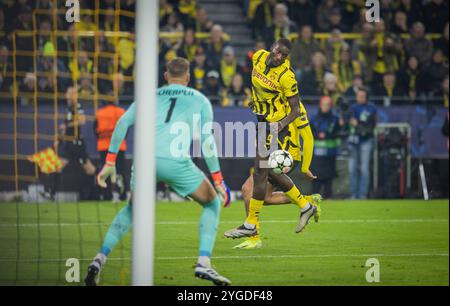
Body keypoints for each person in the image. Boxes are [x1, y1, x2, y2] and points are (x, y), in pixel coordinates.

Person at [85, 58, 232, 286]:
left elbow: (122, 124)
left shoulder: (148, 96)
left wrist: (110, 162)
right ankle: (204, 262)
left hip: (144, 162)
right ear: (188, 77)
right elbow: (206, 141)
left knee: (133, 208)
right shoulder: (201, 100)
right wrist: (218, 180)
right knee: (211, 203)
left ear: (166, 76)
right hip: (176, 163)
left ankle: (99, 259)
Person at [224, 38, 320, 240]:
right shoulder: (257, 57)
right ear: (271, 48)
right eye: (277, 52)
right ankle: (305, 205)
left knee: (261, 171)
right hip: (261, 121)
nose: (279, 57)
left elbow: (295, 109)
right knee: (263, 173)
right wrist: (256, 100)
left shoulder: (287, 76)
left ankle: (252, 224)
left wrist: (281, 125)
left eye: (283, 56)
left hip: (275, 125)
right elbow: (257, 84)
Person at [234, 99, 322, 249]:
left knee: (248, 190)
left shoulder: (296, 106)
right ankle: (307, 201)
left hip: (284, 157)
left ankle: (254, 237)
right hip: (269, 152)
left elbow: (308, 137)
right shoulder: (269, 100)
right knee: (264, 197)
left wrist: (305, 167)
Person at [94, 101, 128, 201]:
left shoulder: (99, 113)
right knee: (120, 171)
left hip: (104, 146)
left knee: (106, 171)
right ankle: (123, 195)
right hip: (119, 147)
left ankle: (106, 195)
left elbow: (95, 129)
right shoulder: (121, 111)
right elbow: (125, 128)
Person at [348, 87, 377, 200]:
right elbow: (346, 122)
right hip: (353, 140)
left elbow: (371, 126)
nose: (359, 98)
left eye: (362, 96)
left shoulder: (371, 108)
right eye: (358, 96)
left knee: (364, 168)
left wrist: (358, 124)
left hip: (366, 140)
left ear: (366, 97)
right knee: (352, 168)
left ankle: (362, 195)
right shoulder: (352, 107)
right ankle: (354, 195)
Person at [310, 96, 341, 199]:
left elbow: (340, 133)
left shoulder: (336, 119)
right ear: (320, 105)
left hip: (330, 154)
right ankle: (313, 199)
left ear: (331, 106)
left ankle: (329, 198)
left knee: (329, 177)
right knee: (316, 177)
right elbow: (309, 134)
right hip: (316, 155)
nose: (325, 107)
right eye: (324, 104)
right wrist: (319, 135)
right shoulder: (313, 119)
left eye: (328, 105)